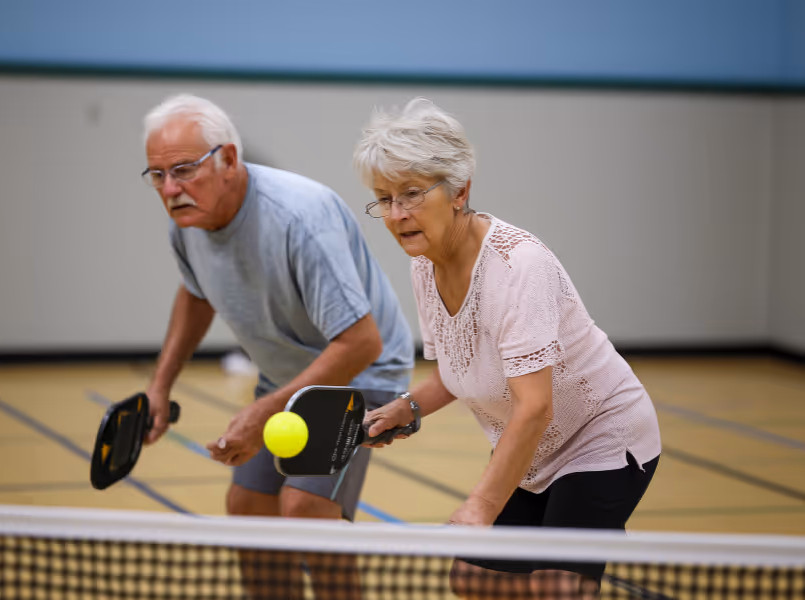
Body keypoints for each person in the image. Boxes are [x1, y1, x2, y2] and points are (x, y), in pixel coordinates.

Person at [354, 98, 661, 599]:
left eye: (411, 193)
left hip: (601, 438)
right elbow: (460, 371)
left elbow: (535, 405)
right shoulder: (424, 265)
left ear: (459, 191)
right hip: (534, 448)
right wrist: (405, 408)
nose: (397, 214)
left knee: (556, 587)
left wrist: (480, 504)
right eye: (384, 198)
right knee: (472, 578)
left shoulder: (518, 266)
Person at [141, 94, 414, 598]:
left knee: (306, 511)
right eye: (157, 175)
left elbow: (361, 342)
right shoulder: (189, 225)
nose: (170, 189)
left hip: (360, 374)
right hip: (287, 375)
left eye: (182, 170)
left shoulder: (298, 218)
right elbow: (197, 292)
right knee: (247, 510)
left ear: (227, 159)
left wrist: (264, 412)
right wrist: (160, 386)